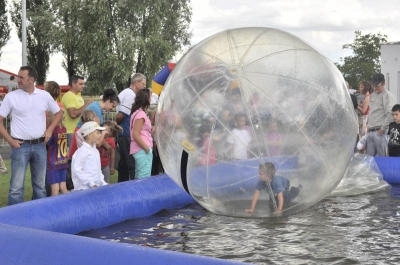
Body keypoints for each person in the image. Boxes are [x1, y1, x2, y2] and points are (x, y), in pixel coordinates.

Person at [0, 66, 63, 205]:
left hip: (40, 145)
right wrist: (10, 141)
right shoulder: (11, 97)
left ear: (31, 79)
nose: (18, 80)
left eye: (22, 77)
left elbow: (59, 113)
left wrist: (50, 129)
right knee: (16, 188)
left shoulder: (44, 96)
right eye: (18, 77)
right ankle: (14, 220)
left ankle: (39, 219)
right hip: (19, 146)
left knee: (40, 187)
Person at [116, 73, 146, 182]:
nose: (144, 87)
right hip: (126, 134)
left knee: (123, 164)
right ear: (136, 83)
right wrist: (116, 126)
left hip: (123, 134)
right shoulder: (130, 95)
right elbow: (120, 115)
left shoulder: (126, 92)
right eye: (143, 84)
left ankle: (122, 186)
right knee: (131, 164)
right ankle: (135, 187)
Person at [71, 121, 107, 190]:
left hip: (95, 188)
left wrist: (103, 182)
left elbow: (98, 170)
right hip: (84, 189)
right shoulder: (82, 152)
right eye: (98, 133)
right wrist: (90, 183)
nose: (100, 135)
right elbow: (77, 169)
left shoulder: (95, 151)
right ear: (89, 135)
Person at [366, 73, 395, 156]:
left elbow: (390, 114)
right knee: (369, 157)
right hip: (370, 130)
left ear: (384, 83)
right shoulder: (372, 96)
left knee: (382, 157)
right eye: (373, 86)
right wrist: (368, 127)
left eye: (377, 86)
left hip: (380, 131)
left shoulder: (387, 96)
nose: (375, 88)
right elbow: (370, 111)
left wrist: (381, 130)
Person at [61, 75, 93, 147]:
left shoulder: (79, 97)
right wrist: (86, 105)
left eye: (83, 84)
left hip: (79, 131)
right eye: (80, 84)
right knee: (73, 156)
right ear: (73, 84)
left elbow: (81, 112)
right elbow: (73, 114)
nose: (83, 86)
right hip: (70, 132)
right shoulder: (69, 96)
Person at [130, 88, 153, 179]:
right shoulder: (141, 114)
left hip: (140, 149)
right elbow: (135, 134)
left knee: (139, 177)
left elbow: (140, 130)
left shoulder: (137, 112)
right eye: (150, 97)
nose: (151, 99)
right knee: (144, 178)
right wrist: (147, 149)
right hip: (143, 150)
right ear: (147, 99)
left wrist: (150, 129)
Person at [46, 109, 68, 196]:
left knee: (55, 188)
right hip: (63, 161)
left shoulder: (52, 130)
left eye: (49, 116)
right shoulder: (64, 129)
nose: (47, 118)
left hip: (53, 163)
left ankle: (54, 208)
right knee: (63, 186)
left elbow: (47, 143)